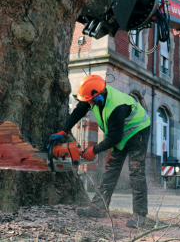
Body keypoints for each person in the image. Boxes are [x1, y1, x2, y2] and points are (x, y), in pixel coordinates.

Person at [50, 75, 151, 228]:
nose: (87, 103)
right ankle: (98, 208)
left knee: (136, 170)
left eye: (88, 100)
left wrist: (94, 150)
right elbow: (78, 111)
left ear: (97, 97)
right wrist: (64, 131)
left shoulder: (116, 107)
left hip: (138, 130)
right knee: (111, 169)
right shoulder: (93, 96)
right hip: (120, 132)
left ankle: (140, 214)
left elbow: (114, 137)